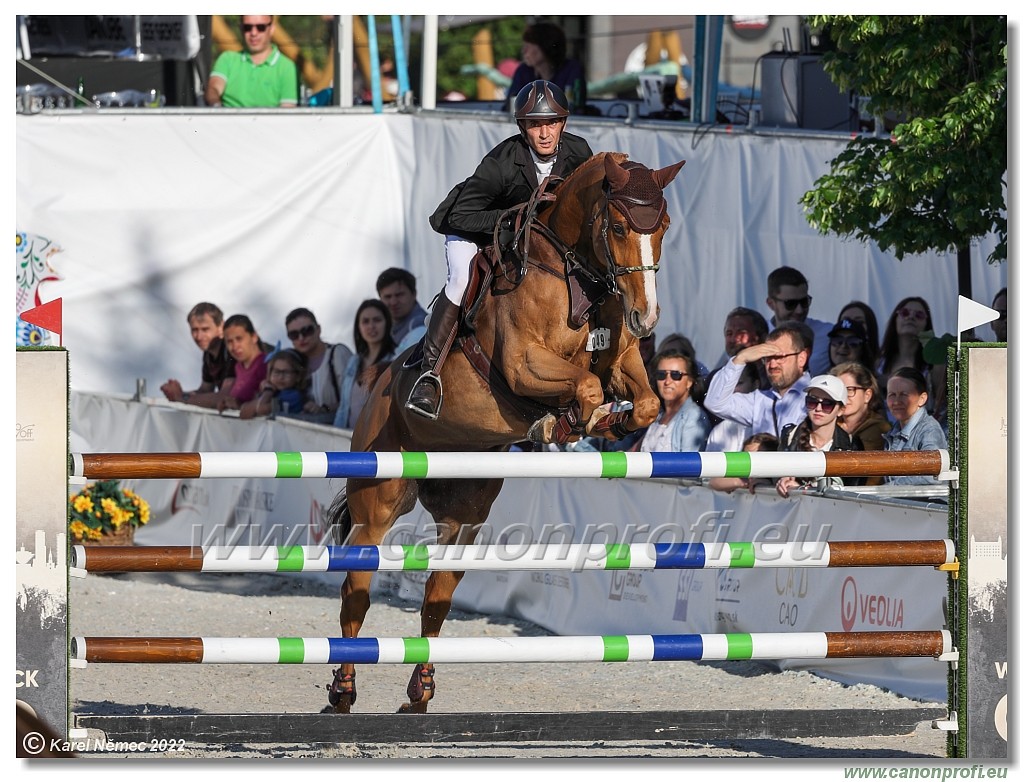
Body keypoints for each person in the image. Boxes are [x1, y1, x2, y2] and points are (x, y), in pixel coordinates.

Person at [407, 79, 594, 419]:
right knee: (461, 281)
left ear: (563, 123)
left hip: (529, 241)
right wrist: (516, 218)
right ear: (523, 127)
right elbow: (462, 215)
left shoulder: (579, 152)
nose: (545, 133)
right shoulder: (503, 162)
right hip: (473, 231)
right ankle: (429, 374)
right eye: (536, 125)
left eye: (552, 123)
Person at [703, 322, 814, 440]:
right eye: (767, 358)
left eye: (779, 357)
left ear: (801, 358)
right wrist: (740, 359)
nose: (772, 364)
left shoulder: (818, 396)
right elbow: (715, 403)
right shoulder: (760, 400)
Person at [775, 374, 864, 498]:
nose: (818, 408)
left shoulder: (852, 445)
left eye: (827, 404)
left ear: (841, 410)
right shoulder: (789, 435)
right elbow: (773, 475)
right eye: (812, 401)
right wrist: (777, 480)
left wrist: (801, 488)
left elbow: (854, 493)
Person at [876, 296, 945, 423]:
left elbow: (940, 406)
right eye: (905, 313)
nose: (911, 317)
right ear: (895, 319)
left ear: (927, 325)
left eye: (919, 315)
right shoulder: (877, 363)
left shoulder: (934, 365)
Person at [204, 16, 298, 108]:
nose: (253, 33)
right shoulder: (227, 59)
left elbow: (286, 113)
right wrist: (216, 107)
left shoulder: (287, 67)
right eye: (247, 27)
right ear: (241, 28)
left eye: (260, 27)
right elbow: (213, 88)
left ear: (272, 28)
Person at [333, 299, 398, 430]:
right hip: (346, 441)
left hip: (379, 443)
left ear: (387, 323)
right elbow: (344, 407)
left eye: (377, 320)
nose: (371, 326)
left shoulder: (396, 360)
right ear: (358, 327)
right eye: (365, 321)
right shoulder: (353, 362)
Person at [284, 308, 353, 424]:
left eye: (307, 331)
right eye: (294, 335)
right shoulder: (294, 362)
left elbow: (353, 400)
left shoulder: (337, 354)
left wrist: (325, 409)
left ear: (318, 329)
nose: (301, 338)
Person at [882, 367, 948, 486]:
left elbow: (930, 476)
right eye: (892, 395)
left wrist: (885, 490)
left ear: (922, 399)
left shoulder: (929, 430)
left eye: (904, 395)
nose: (896, 401)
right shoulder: (894, 431)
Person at [636, 349, 710, 453]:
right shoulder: (659, 414)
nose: (667, 381)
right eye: (661, 375)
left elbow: (689, 466)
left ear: (689, 382)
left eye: (676, 375)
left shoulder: (694, 417)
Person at [160, 302, 234, 405]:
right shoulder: (209, 353)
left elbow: (225, 397)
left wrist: (182, 398)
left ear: (221, 327)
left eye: (205, 329)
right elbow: (205, 391)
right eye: (194, 330)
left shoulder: (232, 350)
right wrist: (179, 394)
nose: (199, 336)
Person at [764, 266, 832, 376]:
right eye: (790, 304)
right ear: (771, 303)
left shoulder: (828, 334)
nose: (799, 310)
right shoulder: (757, 335)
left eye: (804, 301)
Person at [508, 22, 587, 113]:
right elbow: (511, 106)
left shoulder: (572, 70)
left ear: (545, 46)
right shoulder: (523, 71)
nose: (524, 51)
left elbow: (576, 108)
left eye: (528, 46)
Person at [829, 361, 890, 452]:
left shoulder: (878, 430)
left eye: (849, 390)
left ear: (867, 395)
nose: (843, 396)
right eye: (839, 391)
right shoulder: (829, 424)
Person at [216, 314, 273, 409]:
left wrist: (240, 406)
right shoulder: (238, 367)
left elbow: (269, 405)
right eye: (229, 342)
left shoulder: (266, 365)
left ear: (254, 337)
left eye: (239, 339)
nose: (235, 346)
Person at [703, 362, 762, 453]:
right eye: (729, 386)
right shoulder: (719, 431)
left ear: (756, 384)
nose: (732, 389)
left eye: (739, 383)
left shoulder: (767, 422)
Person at [239, 348, 309, 420]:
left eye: (286, 372)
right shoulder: (275, 392)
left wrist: (268, 390)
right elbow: (244, 412)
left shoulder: (293, 395)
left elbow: (261, 409)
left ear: (298, 376)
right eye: (276, 372)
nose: (281, 377)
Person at [707, 432, 779, 493]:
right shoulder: (744, 475)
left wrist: (765, 483)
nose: (750, 462)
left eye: (756, 457)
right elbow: (714, 482)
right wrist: (742, 483)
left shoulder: (780, 475)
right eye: (746, 457)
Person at [375, 267, 428, 348]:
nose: (393, 302)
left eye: (399, 295)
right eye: (387, 297)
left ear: (414, 294)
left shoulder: (419, 325)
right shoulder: (383, 326)